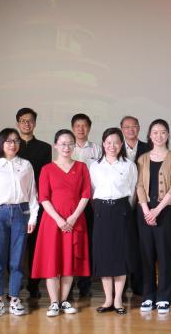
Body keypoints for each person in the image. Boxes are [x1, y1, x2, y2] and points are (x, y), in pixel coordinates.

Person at [31, 129, 91, 317]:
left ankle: (64, 300)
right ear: (55, 146)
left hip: (75, 220)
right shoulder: (47, 169)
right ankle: (54, 303)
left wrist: (73, 218)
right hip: (52, 222)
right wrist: (59, 219)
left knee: (69, 261)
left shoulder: (81, 167)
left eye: (70, 143)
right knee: (52, 260)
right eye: (63, 143)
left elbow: (86, 194)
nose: (67, 147)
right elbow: (43, 197)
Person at [0, 127, 38, 317]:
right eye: (8, 141)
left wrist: (33, 217)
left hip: (21, 213)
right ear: (1, 143)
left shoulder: (26, 165)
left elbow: (32, 194)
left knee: (17, 260)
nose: (12, 144)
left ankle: (14, 298)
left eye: (15, 141)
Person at [136, 119, 171, 314]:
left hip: (165, 212)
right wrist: (147, 210)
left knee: (164, 254)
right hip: (144, 212)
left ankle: (164, 296)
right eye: (155, 132)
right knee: (146, 254)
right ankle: (148, 295)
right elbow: (139, 185)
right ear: (149, 135)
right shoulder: (142, 158)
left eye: (163, 132)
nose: (159, 135)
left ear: (168, 135)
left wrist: (157, 210)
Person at [89, 127, 137, 315]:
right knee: (104, 255)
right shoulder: (95, 166)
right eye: (108, 142)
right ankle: (108, 299)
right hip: (101, 211)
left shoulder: (129, 165)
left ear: (121, 144)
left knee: (120, 254)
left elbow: (133, 192)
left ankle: (118, 300)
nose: (112, 146)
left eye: (116, 142)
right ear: (103, 144)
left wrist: (122, 208)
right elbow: (92, 190)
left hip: (121, 210)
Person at [15, 108, 51, 299]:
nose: (26, 124)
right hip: (16, 203)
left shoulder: (44, 148)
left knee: (36, 246)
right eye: (22, 121)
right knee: (16, 246)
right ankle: (15, 284)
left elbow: (45, 177)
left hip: (37, 202)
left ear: (35, 123)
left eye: (29, 121)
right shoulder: (11, 146)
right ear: (18, 124)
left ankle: (34, 284)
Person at [68, 114, 98, 299]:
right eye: (77, 126)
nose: (81, 129)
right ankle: (68, 284)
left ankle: (85, 284)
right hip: (70, 203)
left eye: (84, 125)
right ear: (73, 128)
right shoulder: (66, 148)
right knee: (70, 244)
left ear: (89, 128)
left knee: (87, 244)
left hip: (91, 204)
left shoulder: (97, 149)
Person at [120, 115, 150, 298]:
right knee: (123, 246)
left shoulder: (149, 147)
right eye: (127, 127)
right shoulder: (115, 147)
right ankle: (121, 288)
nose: (131, 129)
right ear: (122, 129)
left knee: (141, 246)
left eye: (134, 126)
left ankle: (139, 285)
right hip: (122, 205)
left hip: (143, 205)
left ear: (139, 128)